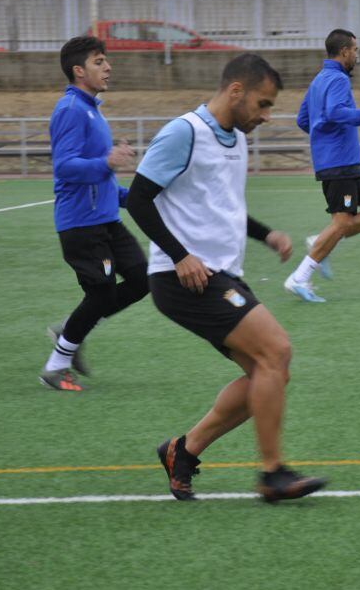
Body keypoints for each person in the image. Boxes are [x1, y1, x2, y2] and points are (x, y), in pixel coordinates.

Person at [126, 52, 327, 503]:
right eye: (263, 103)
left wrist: (265, 234)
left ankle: (183, 450)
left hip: (222, 275)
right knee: (277, 351)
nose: (266, 115)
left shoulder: (236, 138)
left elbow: (221, 208)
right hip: (185, 279)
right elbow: (138, 199)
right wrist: (180, 256)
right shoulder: (185, 132)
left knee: (268, 373)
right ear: (236, 91)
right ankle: (272, 474)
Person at [43, 36, 147, 391]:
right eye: (99, 61)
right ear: (78, 70)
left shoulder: (92, 108)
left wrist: (134, 197)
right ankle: (56, 365)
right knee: (101, 294)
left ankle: (73, 328)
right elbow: (66, 167)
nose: (108, 67)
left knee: (141, 279)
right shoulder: (70, 110)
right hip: (81, 225)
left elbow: (100, 178)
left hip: (106, 220)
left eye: (106, 61)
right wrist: (107, 161)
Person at [284, 29, 360, 303]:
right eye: (354, 50)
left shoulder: (318, 80)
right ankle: (300, 277)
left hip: (344, 163)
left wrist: (323, 138)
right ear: (344, 52)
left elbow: (303, 120)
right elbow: (335, 113)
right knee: (341, 224)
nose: (356, 54)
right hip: (338, 164)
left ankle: (320, 241)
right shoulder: (338, 79)